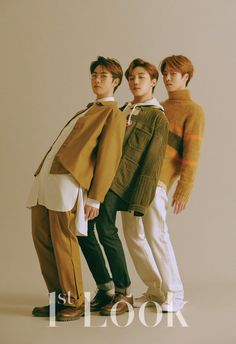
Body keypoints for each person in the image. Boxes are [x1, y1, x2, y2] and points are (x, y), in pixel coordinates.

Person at [26, 56, 126, 321]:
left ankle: (74, 301)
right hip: (46, 180)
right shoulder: (86, 110)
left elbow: (108, 158)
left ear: (115, 82)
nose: (97, 79)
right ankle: (58, 299)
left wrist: (95, 198)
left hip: (67, 185)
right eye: (94, 74)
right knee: (42, 240)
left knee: (64, 242)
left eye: (103, 76)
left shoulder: (112, 115)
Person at [78, 58, 169, 316]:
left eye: (141, 77)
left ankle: (123, 291)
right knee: (83, 229)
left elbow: (152, 164)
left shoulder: (157, 117)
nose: (135, 82)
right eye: (132, 78)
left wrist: (140, 201)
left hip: (122, 184)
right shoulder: (123, 110)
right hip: (102, 180)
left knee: (105, 229)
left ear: (153, 82)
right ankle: (105, 287)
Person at [121, 55, 205, 312]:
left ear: (186, 77)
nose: (168, 78)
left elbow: (192, 156)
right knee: (133, 235)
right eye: (165, 73)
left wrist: (183, 189)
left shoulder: (194, 111)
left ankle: (174, 293)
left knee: (156, 235)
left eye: (174, 74)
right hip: (131, 180)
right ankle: (155, 289)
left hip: (157, 181)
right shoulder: (156, 106)